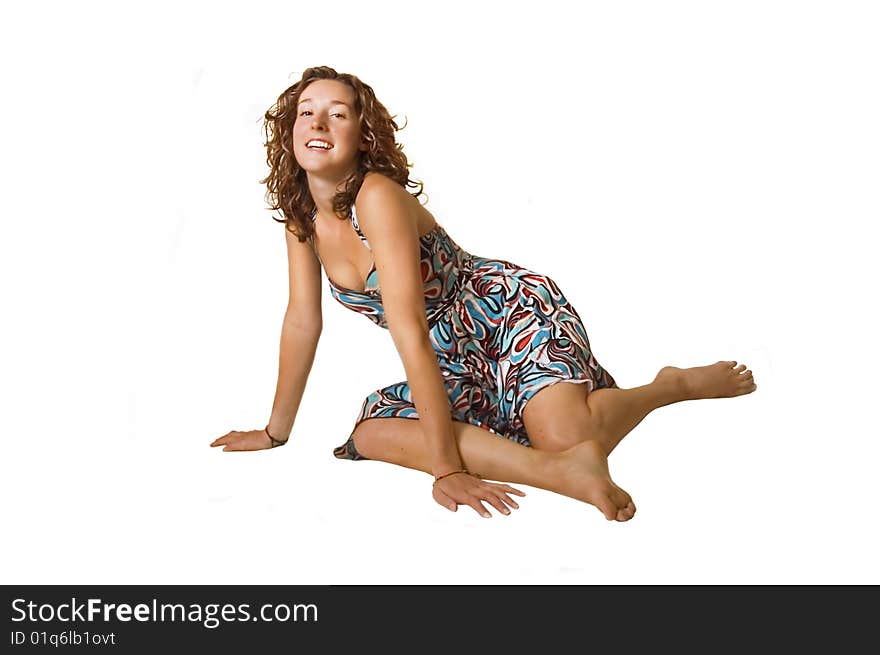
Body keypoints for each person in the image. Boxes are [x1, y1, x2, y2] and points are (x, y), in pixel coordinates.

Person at [210, 66, 757, 522]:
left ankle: (667, 387)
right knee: (374, 434)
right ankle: (563, 471)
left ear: (362, 135)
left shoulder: (376, 198)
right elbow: (302, 322)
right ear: (290, 130)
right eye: (307, 110)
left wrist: (447, 467)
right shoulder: (301, 219)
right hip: (455, 357)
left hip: (505, 315)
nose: (319, 121)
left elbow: (410, 331)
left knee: (565, 431)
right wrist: (274, 432)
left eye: (338, 112)